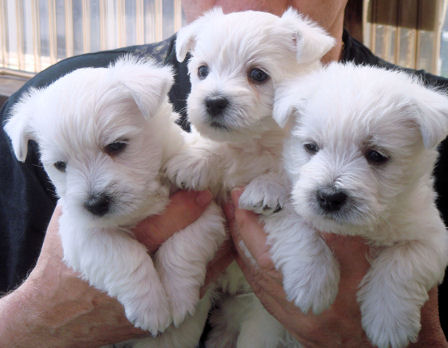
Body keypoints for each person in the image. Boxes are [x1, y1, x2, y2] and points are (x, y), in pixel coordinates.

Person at [0, 0, 446, 346]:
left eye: (257, 74)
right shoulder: (58, 100)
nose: (219, 93)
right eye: (204, 71)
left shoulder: (423, 117)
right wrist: (37, 318)